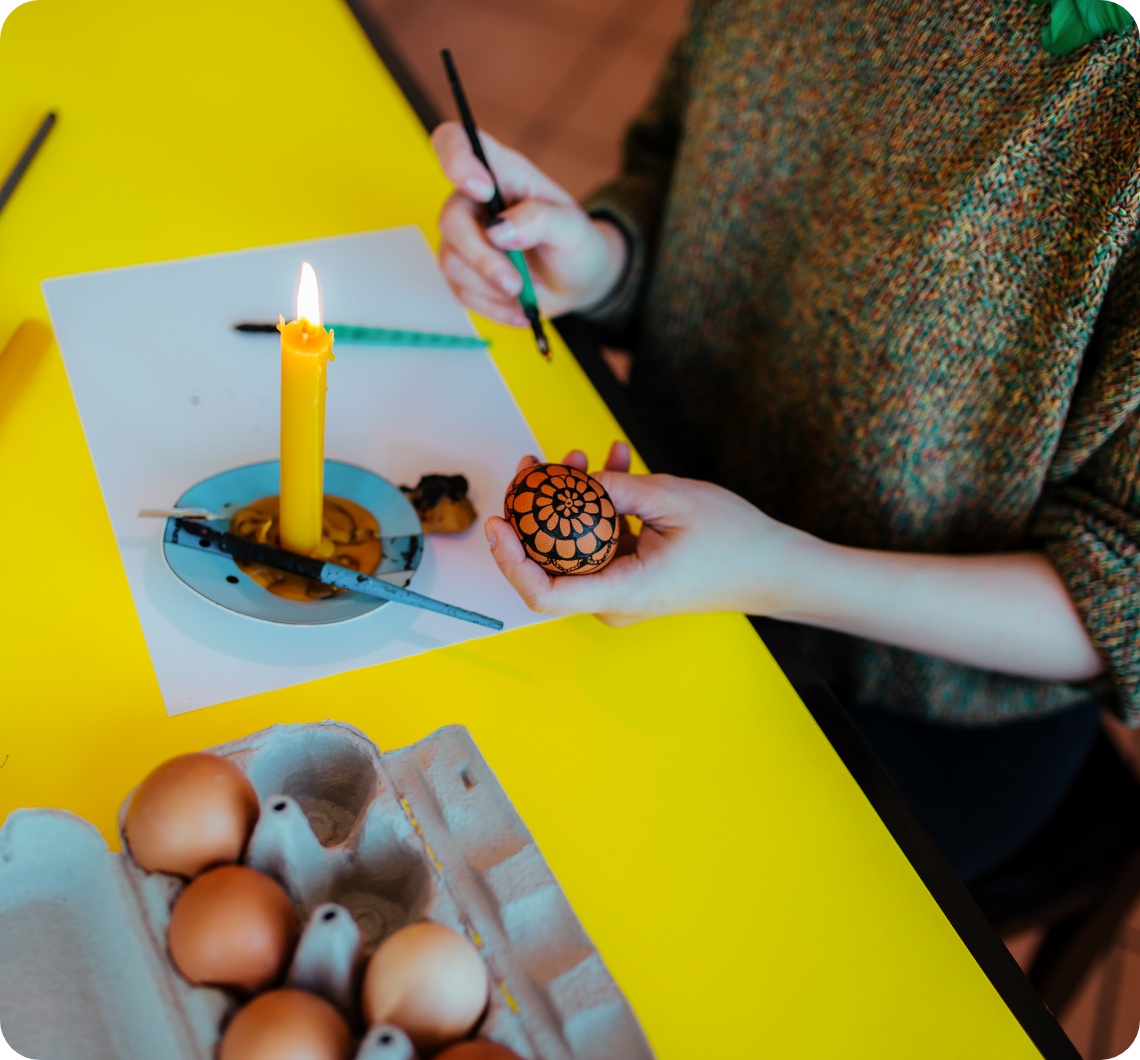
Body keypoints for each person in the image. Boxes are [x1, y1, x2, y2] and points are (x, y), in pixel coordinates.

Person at [430, 0, 1140, 884]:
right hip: (664, 528)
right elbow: (677, 170)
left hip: (910, 701)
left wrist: (774, 569)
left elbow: (1124, 596)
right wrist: (599, 257)